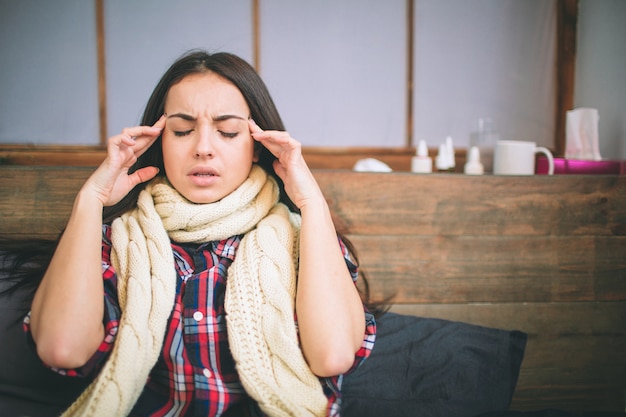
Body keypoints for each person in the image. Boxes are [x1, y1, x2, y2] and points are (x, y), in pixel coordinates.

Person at [2, 50, 377, 417]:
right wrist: (90, 200)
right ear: (159, 143)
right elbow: (62, 348)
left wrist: (311, 201)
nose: (203, 149)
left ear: (259, 147)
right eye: (182, 130)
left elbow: (334, 355)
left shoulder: (303, 238)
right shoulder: (118, 241)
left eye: (228, 132)